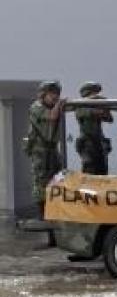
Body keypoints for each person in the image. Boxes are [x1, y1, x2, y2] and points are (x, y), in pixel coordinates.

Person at [25, 80, 65, 244]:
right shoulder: (36, 107)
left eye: (57, 94)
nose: (55, 97)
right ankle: (42, 215)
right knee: (41, 182)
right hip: (40, 151)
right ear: (44, 94)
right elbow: (51, 117)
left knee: (55, 183)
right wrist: (60, 106)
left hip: (51, 149)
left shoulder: (50, 106)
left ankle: (53, 237)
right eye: (52, 94)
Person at [74, 81, 112, 175]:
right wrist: (98, 107)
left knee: (102, 171)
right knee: (89, 170)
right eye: (94, 94)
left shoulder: (97, 106)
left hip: (98, 142)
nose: (96, 96)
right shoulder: (80, 106)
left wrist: (105, 108)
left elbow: (109, 118)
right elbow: (90, 113)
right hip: (87, 142)